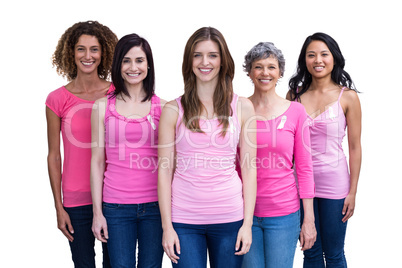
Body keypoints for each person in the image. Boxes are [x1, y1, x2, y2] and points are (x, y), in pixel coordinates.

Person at [158, 27, 257, 268]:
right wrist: (167, 227)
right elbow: (163, 171)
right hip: (183, 219)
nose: (205, 62)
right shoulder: (173, 109)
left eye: (212, 55)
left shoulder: (243, 107)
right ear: (189, 61)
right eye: (197, 55)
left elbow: (250, 169)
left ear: (223, 61)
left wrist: (247, 225)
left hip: (230, 217)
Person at [46, 20, 117, 267]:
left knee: (116, 263)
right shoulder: (57, 99)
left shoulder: (118, 93)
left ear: (104, 53)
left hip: (113, 195)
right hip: (75, 200)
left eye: (94, 49)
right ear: (71, 52)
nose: (88, 56)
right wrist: (59, 206)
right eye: (81, 49)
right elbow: (54, 156)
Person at [287, 32, 362, 267]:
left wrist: (352, 191)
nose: (317, 60)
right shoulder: (294, 96)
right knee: (310, 252)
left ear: (334, 58)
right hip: (299, 185)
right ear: (304, 61)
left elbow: (355, 147)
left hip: (335, 184)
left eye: (323, 54)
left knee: (334, 254)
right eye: (311, 55)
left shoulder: (347, 97)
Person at [91, 33, 165, 267]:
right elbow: (97, 162)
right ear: (118, 65)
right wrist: (97, 213)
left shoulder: (163, 107)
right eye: (126, 60)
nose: (133, 67)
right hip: (115, 207)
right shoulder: (102, 106)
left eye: (139, 60)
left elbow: (169, 164)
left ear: (148, 64)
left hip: (155, 207)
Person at [240, 42, 316, 268]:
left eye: (271, 67)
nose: (265, 73)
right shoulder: (237, 109)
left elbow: (304, 167)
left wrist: (308, 219)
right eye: (258, 67)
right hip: (244, 214)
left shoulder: (296, 111)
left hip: (284, 214)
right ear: (249, 71)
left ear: (280, 72)